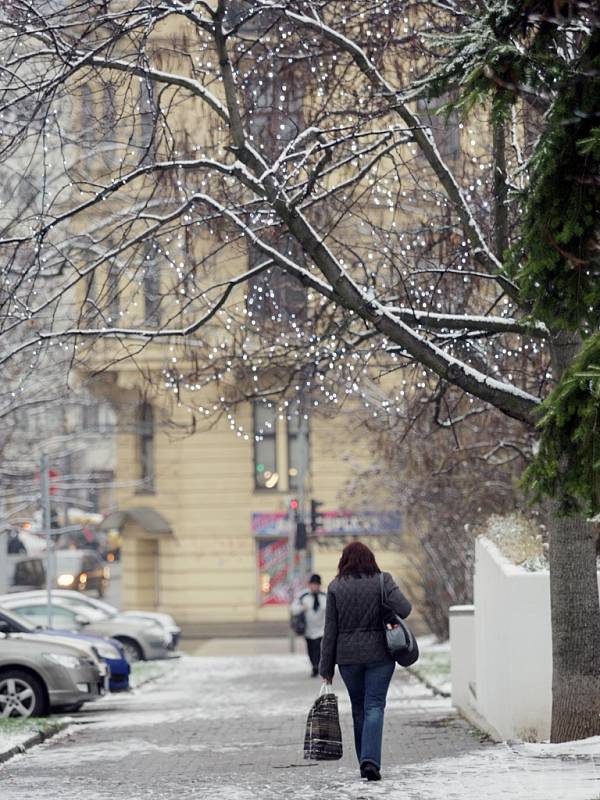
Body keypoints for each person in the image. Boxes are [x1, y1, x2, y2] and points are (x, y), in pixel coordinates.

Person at [319, 542, 412, 782]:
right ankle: (369, 761)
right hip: (380, 655)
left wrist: (325, 668)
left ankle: (365, 762)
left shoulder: (335, 587)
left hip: (348, 659)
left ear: (344, 561)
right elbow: (405, 608)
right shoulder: (383, 581)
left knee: (359, 709)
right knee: (374, 706)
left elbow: (330, 631)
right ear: (371, 559)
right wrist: (385, 607)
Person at [291, 574, 327, 677]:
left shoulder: (325, 596)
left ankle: (319, 666)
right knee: (311, 648)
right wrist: (302, 607)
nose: (314, 587)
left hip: (321, 629)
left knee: (320, 648)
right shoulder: (303, 596)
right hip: (308, 629)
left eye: (316, 584)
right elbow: (293, 608)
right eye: (312, 584)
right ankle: (314, 665)